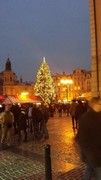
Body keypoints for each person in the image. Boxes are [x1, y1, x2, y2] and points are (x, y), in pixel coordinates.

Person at [75, 97, 101, 180]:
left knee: (89, 170)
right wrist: (91, 153)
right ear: (94, 105)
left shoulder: (98, 115)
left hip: (95, 153)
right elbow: (83, 138)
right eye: (99, 104)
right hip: (94, 153)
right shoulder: (86, 118)